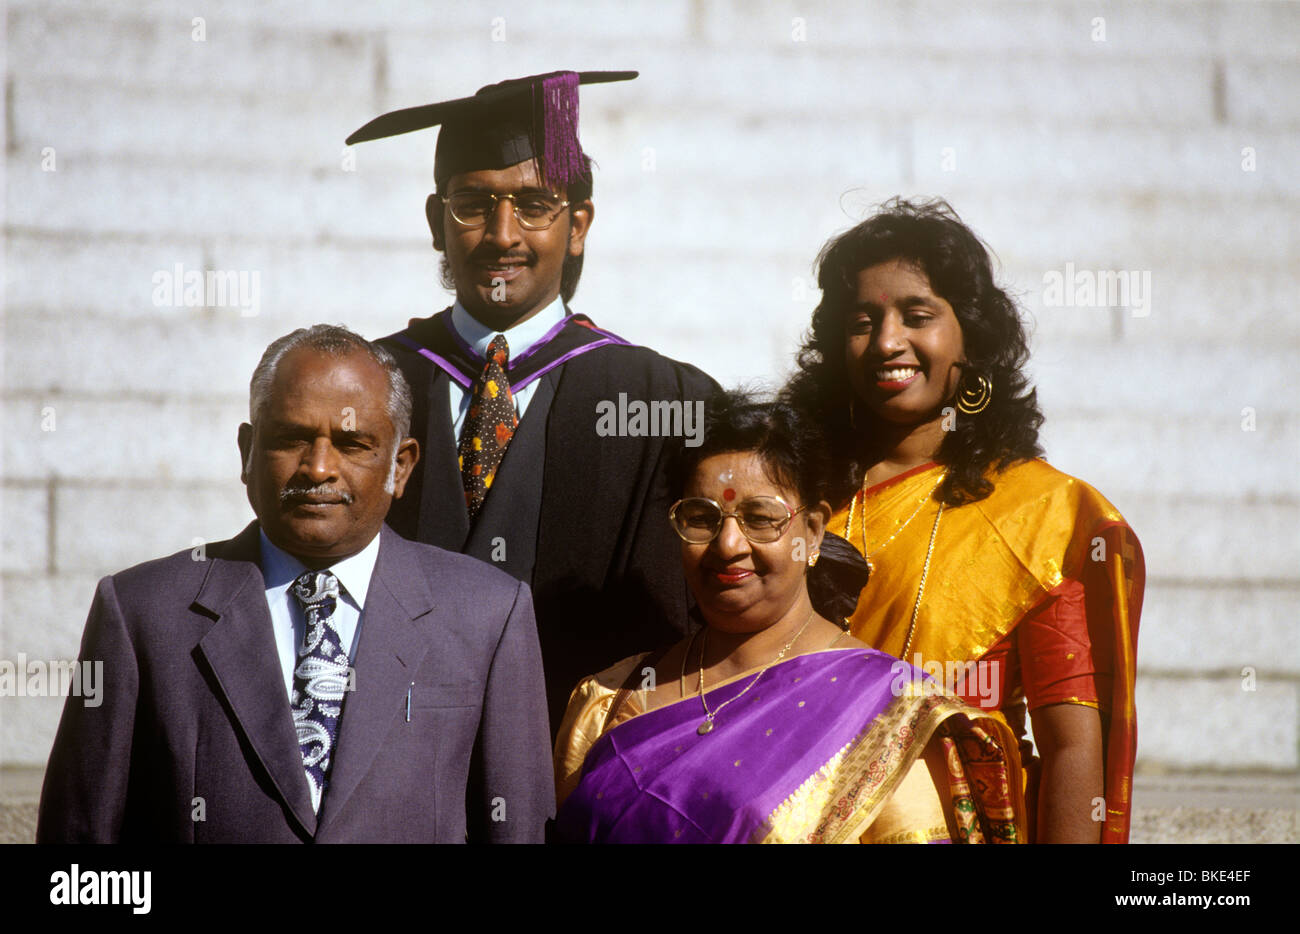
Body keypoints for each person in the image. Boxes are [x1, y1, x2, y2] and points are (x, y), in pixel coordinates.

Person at [37, 325, 553, 843]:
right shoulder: (142, 613)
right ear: (247, 451)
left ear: (401, 467)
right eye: (291, 439)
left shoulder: (488, 614)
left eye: (352, 444)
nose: (319, 468)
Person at [345, 71, 717, 732]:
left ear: (578, 225)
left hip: (584, 777)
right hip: (390, 765)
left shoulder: (668, 402)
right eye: (473, 203)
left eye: (535, 204)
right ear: (436, 222)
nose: (503, 234)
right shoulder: (369, 382)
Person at [781, 198, 1145, 843]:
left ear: (970, 337)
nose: (888, 342)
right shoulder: (789, 493)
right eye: (863, 321)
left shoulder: (1037, 513)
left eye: (918, 316)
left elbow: (1070, 743)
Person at [553, 391, 1026, 843]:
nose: (728, 546)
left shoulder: (888, 715)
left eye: (761, 517)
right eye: (702, 517)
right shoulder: (610, 698)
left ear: (814, 531)